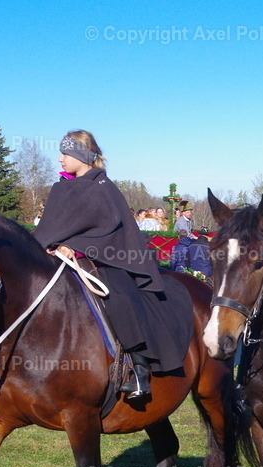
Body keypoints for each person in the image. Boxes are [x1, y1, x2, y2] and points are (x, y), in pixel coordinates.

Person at [33, 129, 191, 399]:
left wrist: (75, 247)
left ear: (81, 155)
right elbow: (53, 227)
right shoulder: (61, 188)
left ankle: (140, 370)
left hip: (104, 257)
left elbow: (108, 228)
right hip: (58, 258)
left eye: (65, 153)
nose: (60, 159)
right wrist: (46, 244)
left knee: (121, 297)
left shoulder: (103, 188)